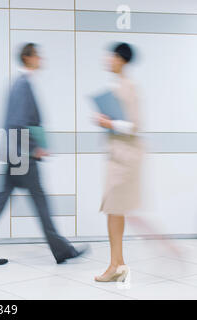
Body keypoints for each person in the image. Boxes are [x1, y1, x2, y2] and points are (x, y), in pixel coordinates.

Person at [0, 43, 88, 266]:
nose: (41, 59)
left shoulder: (20, 84)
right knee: (40, 203)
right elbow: (18, 123)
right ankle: (62, 250)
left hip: (14, 155)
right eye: (38, 55)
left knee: (0, 200)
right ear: (29, 57)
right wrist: (35, 148)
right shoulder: (23, 85)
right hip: (23, 157)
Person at [94, 42, 143, 282]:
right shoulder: (117, 86)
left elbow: (134, 126)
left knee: (114, 210)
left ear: (121, 59)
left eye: (111, 56)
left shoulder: (128, 87)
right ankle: (118, 264)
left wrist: (109, 123)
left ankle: (116, 265)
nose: (107, 60)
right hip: (117, 158)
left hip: (124, 161)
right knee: (114, 212)